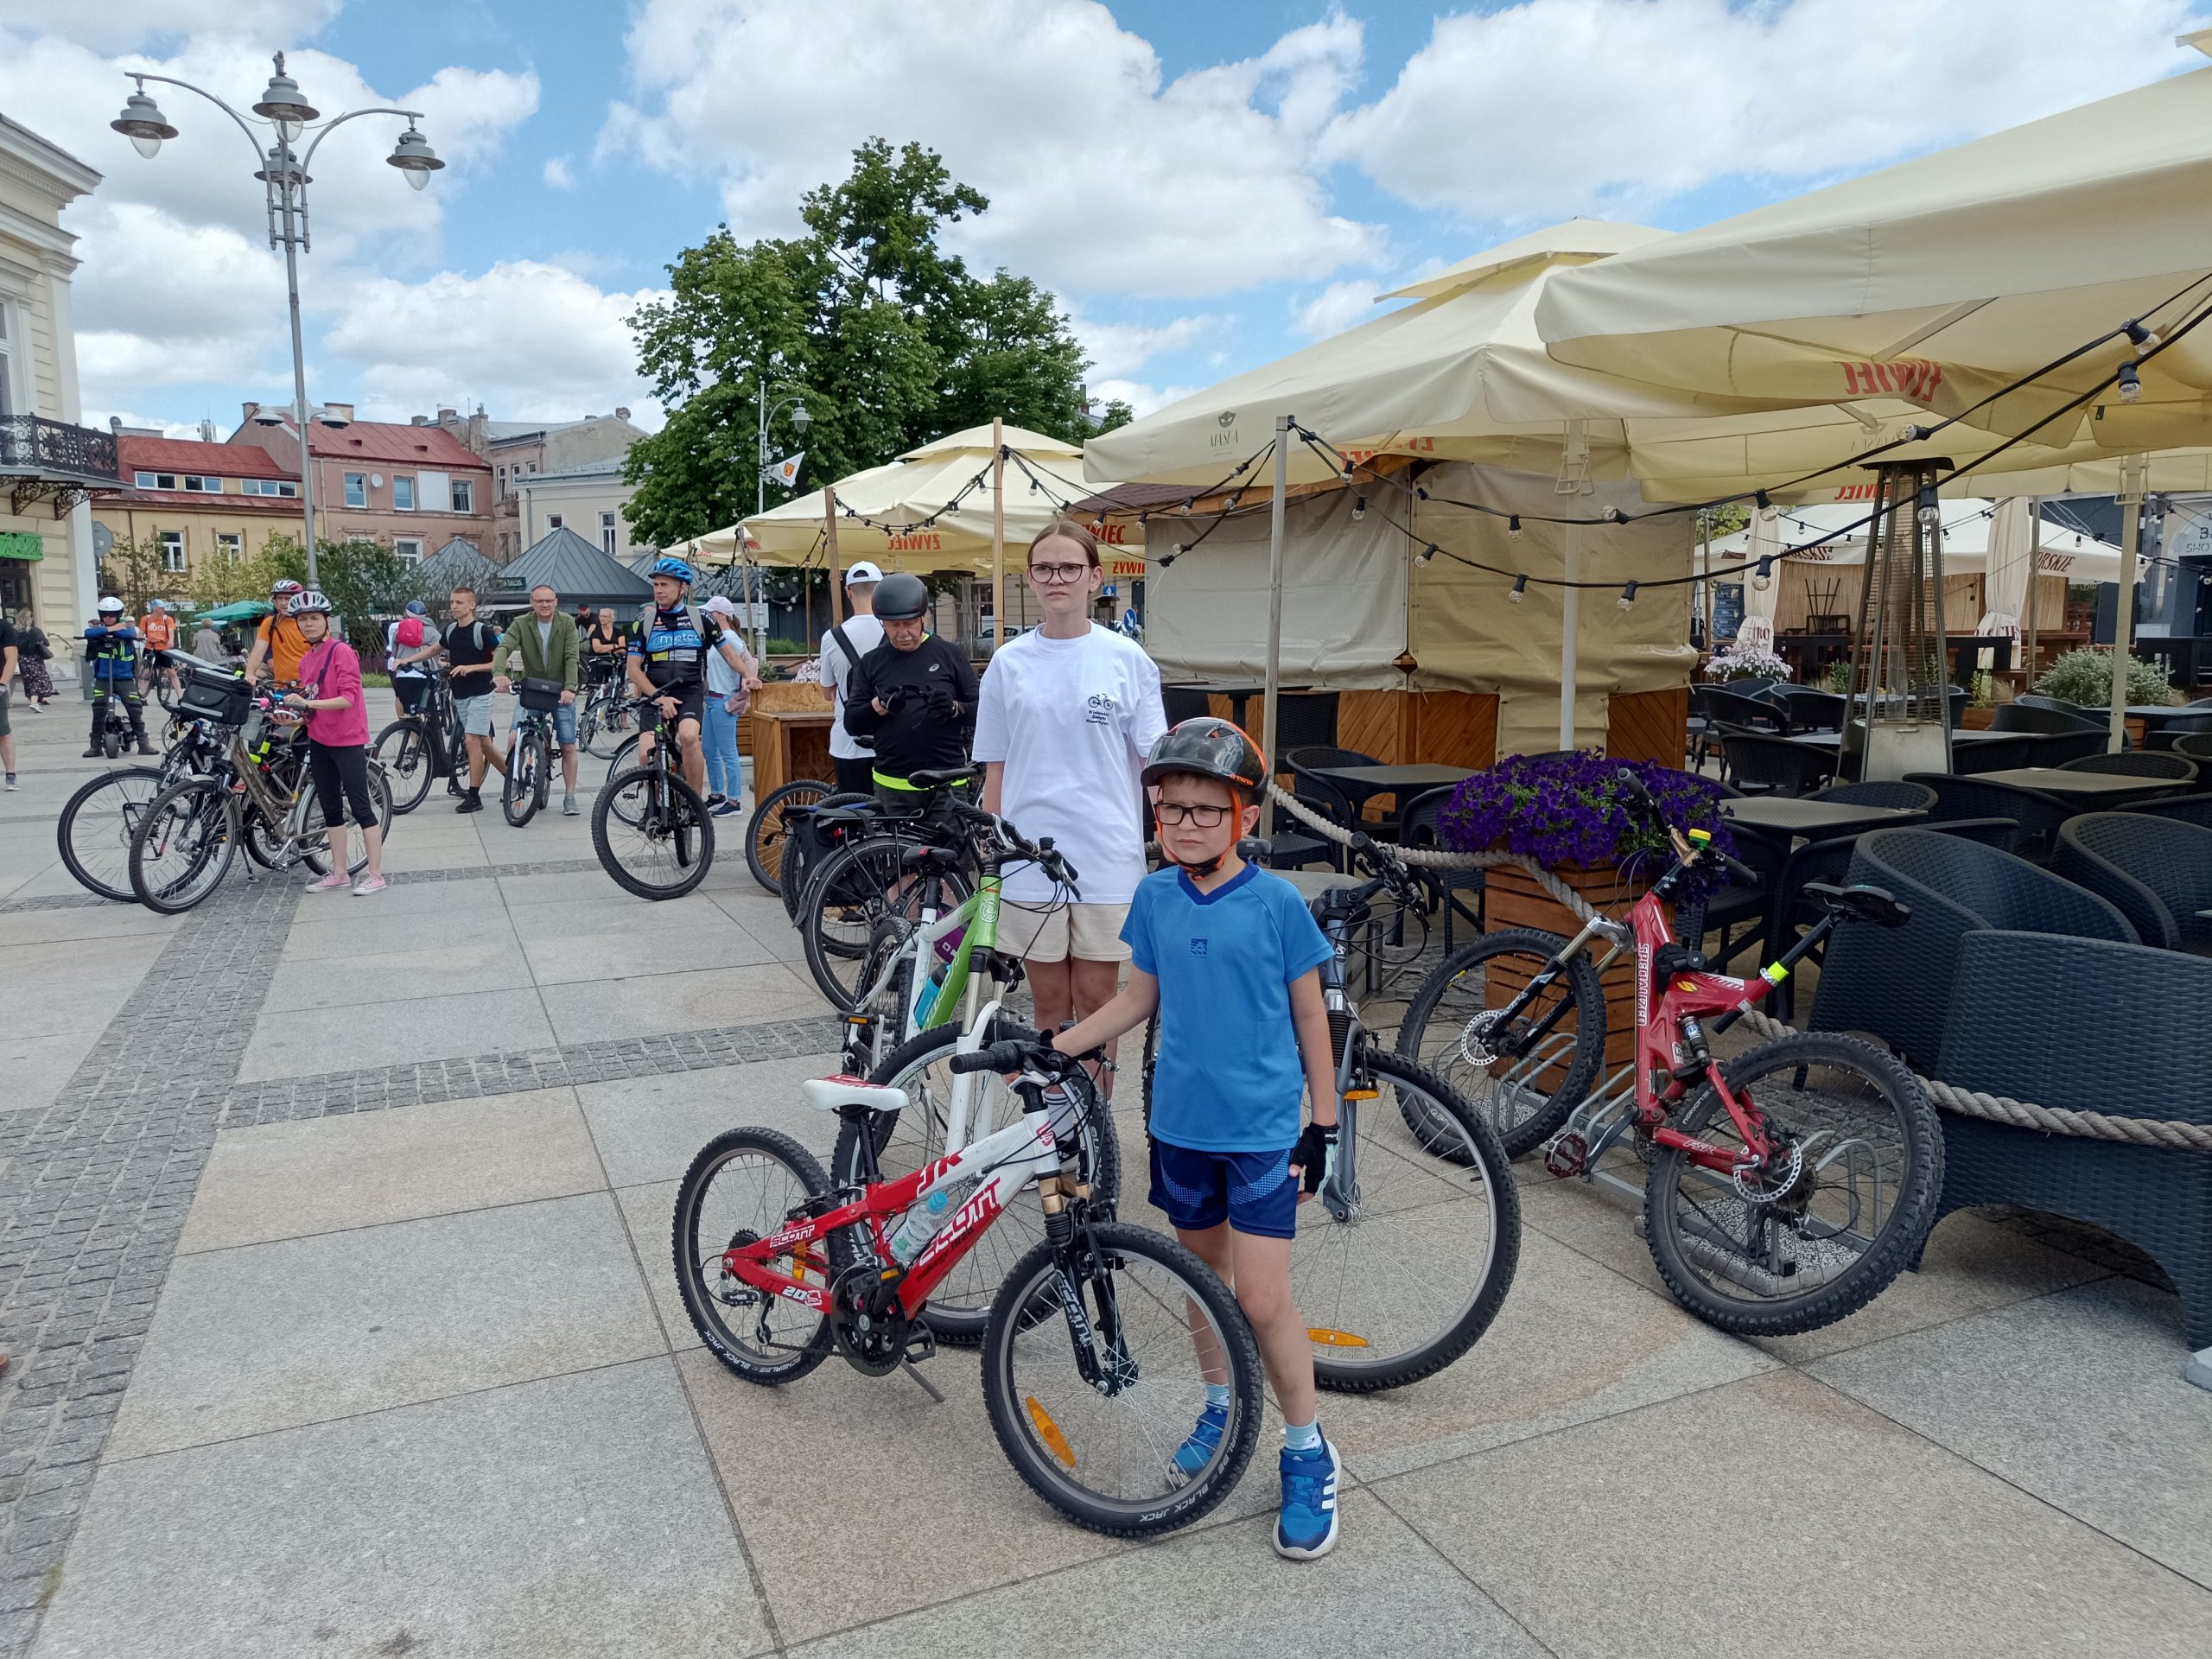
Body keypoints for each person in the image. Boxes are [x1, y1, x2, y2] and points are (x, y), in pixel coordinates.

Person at [1048, 718, 1342, 1560]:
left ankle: (1306, 1449)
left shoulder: (1277, 905)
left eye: (1206, 810)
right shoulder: (1154, 897)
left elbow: (1311, 1016)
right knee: (1203, 1281)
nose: (1185, 823)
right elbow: (1137, 998)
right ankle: (1220, 1406)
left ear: (1243, 815)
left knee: (1264, 1299)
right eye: (1171, 808)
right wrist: (1056, 1046)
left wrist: (1323, 1125)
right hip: (1180, 1128)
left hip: (1260, 1135)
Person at [975, 522, 1166, 1075]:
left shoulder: (1127, 659)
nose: (1056, 578)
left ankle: (1092, 1120)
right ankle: (1053, 1120)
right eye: (1044, 568)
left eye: (1070, 568)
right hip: (1029, 856)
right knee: (1050, 1000)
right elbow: (996, 765)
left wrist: (1172, 838)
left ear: (1095, 578)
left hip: (1106, 854)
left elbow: (1155, 762)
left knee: (1098, 1000)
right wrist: (991, 842)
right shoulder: (1008, 663)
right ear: (1030, 578)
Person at [841, 570, 976, 815]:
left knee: (952, 842)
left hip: (947, 784)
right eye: (894, 626)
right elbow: (852, 724)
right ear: (882, 623)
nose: (903, 633)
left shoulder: (950, 655)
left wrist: (954, 708)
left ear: (923, 618)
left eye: (909, 624)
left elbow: (982, 711)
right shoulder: (871, 662)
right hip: (893, 786)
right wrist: (879, 705)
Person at [626, 557, 758, 802]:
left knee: (688, 737)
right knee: (646, 754)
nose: (659, 590)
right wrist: (658, 697)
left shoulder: (702, 619)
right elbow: (633, 669)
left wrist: (748, 675)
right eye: (656, 585)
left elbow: (729, 654)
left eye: (665, 585)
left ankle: (695, 803)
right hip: (655, 693)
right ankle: (655, 806)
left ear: (682, 588)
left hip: (689, 692)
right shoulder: (644, 622)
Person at [284, 589, 385, 896]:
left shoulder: (341, 652)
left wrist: (307, 704)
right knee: (330, 808)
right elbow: (313, 704)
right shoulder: (306, 660)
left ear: (326, 621)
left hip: (348, 740)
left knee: (361, 807)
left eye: (314, 618)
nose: (309, 624)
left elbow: (347, 699)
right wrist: (294, 717)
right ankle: (339, 873)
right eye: (303, 619)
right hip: (320, 740)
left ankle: (376, 875)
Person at [492, 583, 584, 817]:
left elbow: (571, 657)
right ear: (532, 602)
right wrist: (499, 673)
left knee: (568, 745)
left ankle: (570, 796)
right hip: (532, 689)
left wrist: (570, 688)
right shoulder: (521, 623)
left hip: (561, 690)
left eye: (549, 600)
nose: (545, 604)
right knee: (515, 737)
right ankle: (514, 780)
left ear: (556, 602)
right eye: (539, 600)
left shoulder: (566, 622)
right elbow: (504, 647)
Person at [817, 561, 886, 795]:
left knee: (853, 810)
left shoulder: (832, 637)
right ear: (880, 589)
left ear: (848, 591)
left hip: (847, 742)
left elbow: (827, 692)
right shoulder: (894, 632)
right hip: (889, 741)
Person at [442, 583, 506, 813]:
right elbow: (435, 649)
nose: (454, 606)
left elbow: (499, 662)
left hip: (481, 692)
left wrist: (471, 668)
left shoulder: (483, 632)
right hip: (461, 694)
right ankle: (512, 777)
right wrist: (407, 660)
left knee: (471, 740)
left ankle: (474, 796)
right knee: (484, 743)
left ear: (472, 605)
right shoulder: (451, 630)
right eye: (452, 602)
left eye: (459, 602)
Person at [699, 594, 752, 814]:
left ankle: (734, 800)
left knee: (728, 752)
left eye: (710, 613)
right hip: (712, 698)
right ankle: (717, 794)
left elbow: (740, 664)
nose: (707, 617)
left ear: (721, 615)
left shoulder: (730, 639)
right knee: (709, 749)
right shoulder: (718, 638)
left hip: (722, 699)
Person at [82, 596, 153, 757]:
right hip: (103, 677)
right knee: (99, 709)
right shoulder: (98, 631)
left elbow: (130, 633)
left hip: (124, 677)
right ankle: (95, 746)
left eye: (112, 615)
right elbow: (88, 632)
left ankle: (143, 743)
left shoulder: (126, 630)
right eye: (105, 615)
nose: (108, 618)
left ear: (119, 615)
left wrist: (115, 629)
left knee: (134, 708)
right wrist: (110, 629)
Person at [244, 579, 309, 685]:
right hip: (281, 687)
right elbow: (257, 653)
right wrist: (250, 674)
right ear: (275, 601)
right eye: (280, 598)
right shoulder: (270, 623)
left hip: (309, 687)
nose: (283, 603)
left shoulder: (310, 623)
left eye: (287, 598)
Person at [385, 600, 442, 717]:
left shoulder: (396, 628)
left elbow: (391, 648)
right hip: (425, 676)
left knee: (405, 705)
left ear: (406, 613)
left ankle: (404, 724)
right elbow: (445, 648)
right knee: (430, 710)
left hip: (402, 673)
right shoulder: (431, 631)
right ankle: (430, 727)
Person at [139, 599, 180, 696]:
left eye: (163, 608)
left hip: (163, 648)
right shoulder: (146, 619)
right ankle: (142, 696)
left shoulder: (167, 619)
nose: (163, 609)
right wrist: (139, 637)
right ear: (154, 608)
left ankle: (180, 696)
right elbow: (141, 632)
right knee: (145, 672)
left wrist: (171, 641)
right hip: (150, 647)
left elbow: (171, 631)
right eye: (161, 608)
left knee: (171, 672)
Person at [15, 614, 54, 708]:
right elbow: (46, 643)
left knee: (28, 680)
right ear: (30, 619)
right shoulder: (35, 631)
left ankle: (36, 699)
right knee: (38, 679)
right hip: (35, 659)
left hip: (22, 659)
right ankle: (34, 702)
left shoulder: (15, 632)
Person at [586, 605, 627, 687]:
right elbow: (597, 649)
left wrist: (604, 648)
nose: (602, 618)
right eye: (600, 616)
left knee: (622, 668)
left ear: (611, 618)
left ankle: (620, 688)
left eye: (604, 616)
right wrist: (614, 646)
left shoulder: (619, 632)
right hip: (598, 660)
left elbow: (622, 649)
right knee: (598, 670)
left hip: (615, 660)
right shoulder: (596, 633)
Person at [0, 610, 16, 790]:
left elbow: (11, 657)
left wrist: (3, 684)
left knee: (2, 732)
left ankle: (10, 775)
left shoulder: (3, 626)